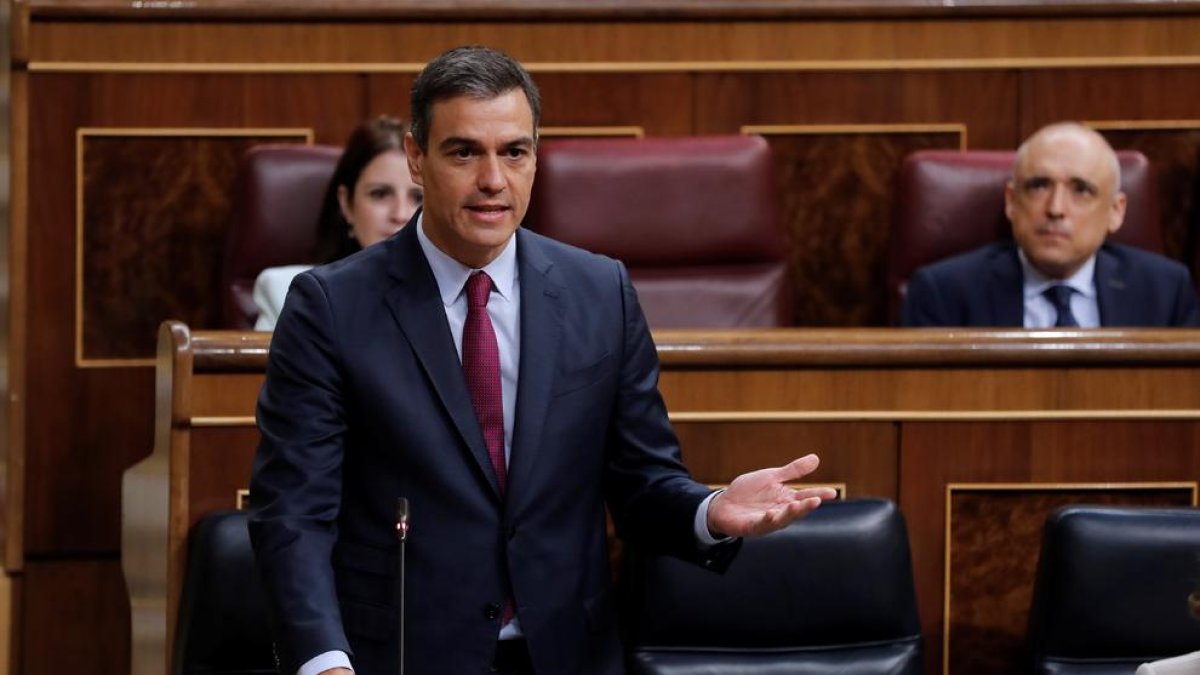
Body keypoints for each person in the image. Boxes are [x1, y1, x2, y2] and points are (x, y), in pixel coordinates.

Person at [248, 45, 837, 675]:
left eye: (514, 152)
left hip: (566, 653)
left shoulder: (599, 291)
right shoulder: (331, 307)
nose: (493, 181)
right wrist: (323, 662)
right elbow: (295, 513)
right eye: (464, 151)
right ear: (417, 158)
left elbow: (642, 483)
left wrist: (708, 511)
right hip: (398, 655)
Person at [901, 122, 1200, 328]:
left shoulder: (1165, 292)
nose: (1056, 209)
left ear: (1115, 212)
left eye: (1081, 190)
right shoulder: (944, 295)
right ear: (1011, 201)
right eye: (1039, 186)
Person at [252, 116, 423, 330]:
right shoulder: (287, 294)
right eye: (380, 194)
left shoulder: (464, 298)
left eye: (418, 198)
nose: (400, 214)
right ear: (346, 204)